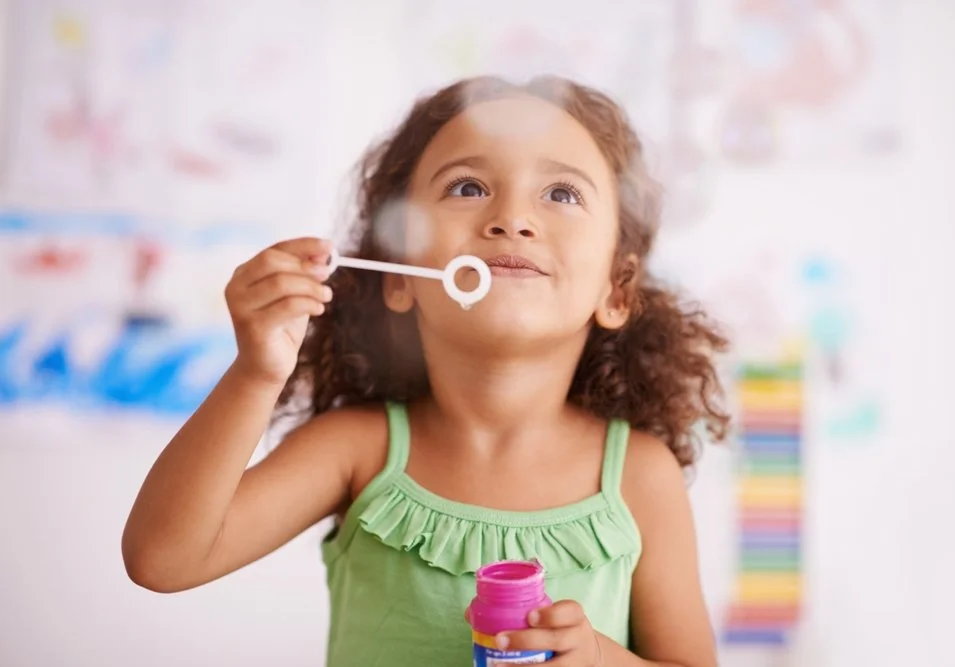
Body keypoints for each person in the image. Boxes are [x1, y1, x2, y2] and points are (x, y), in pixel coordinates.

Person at [122, 75, 730, 667]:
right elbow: (163, 560)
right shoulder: (359, 451)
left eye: (562, 194)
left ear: (616, 290)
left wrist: (600, 660)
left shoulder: (638, 478)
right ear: (397, 275)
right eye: (467, 187)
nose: (511, 218)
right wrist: (257, 372)